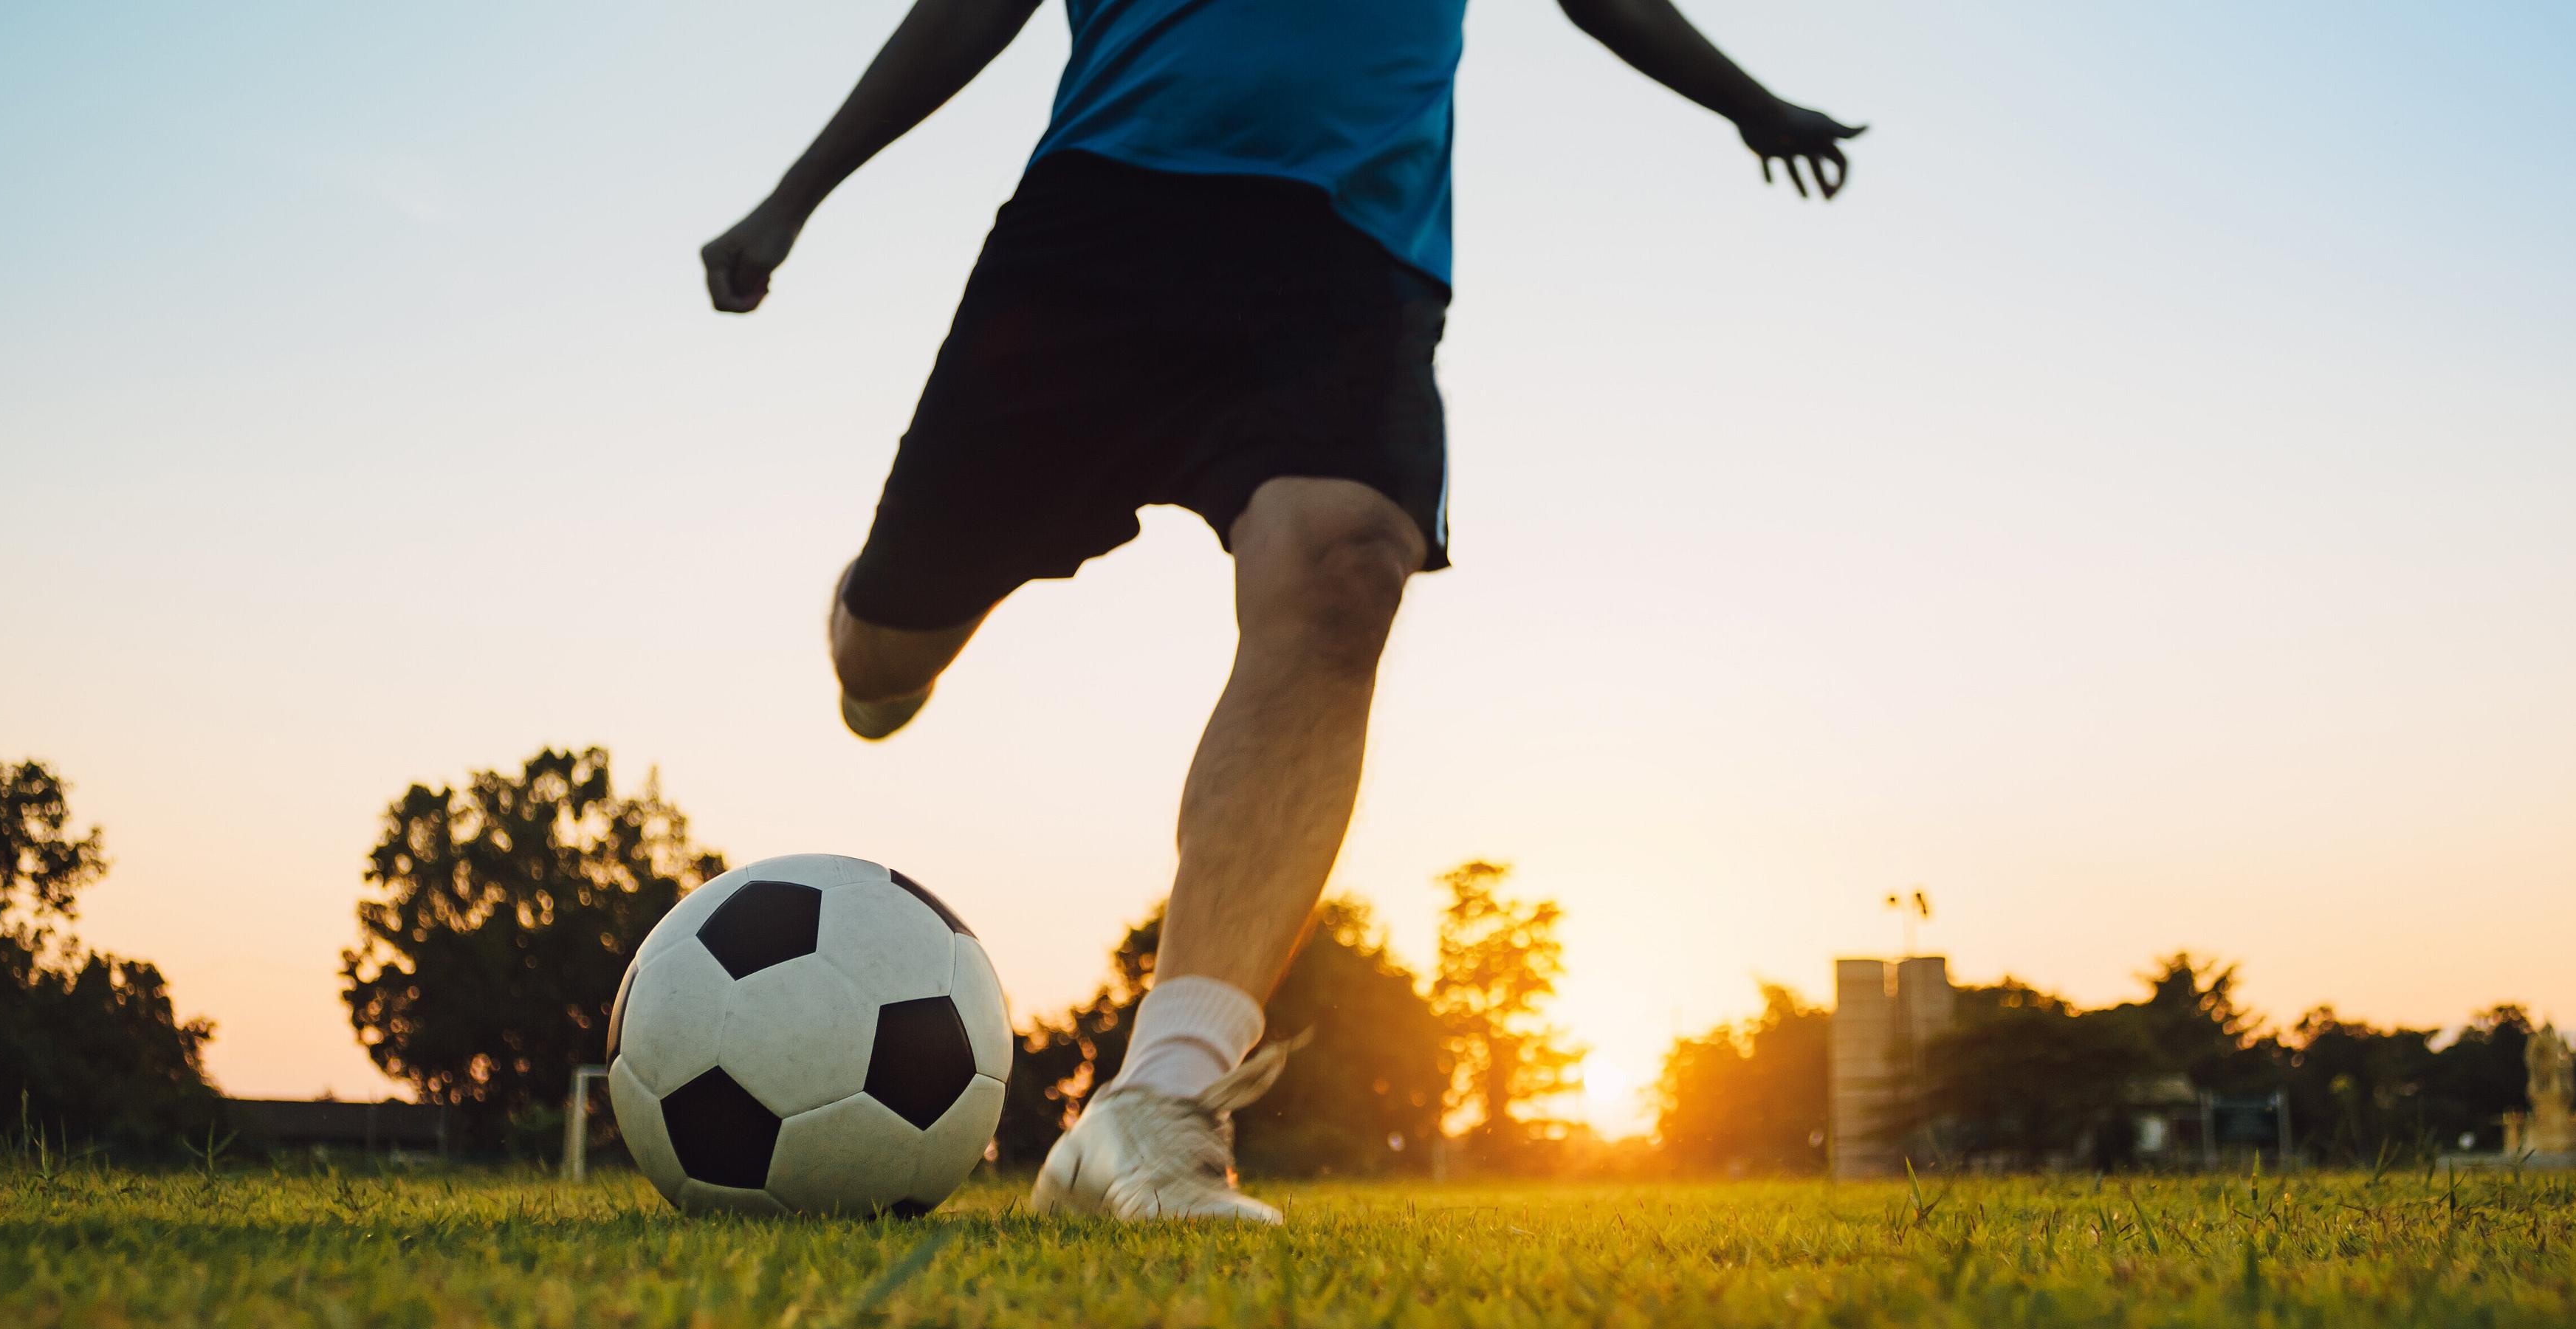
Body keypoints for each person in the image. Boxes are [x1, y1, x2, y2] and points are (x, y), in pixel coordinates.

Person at [701, 0, 1861, 1221]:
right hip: (1103, 223)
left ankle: (1160, 1100)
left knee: (1347, 564)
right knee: (881, 661)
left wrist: (1750, 104)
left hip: (1348, 250)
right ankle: (879, 620)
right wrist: (793, 197)